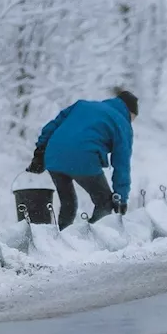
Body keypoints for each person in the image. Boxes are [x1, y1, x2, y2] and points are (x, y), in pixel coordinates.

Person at [26, 89, 137, 229]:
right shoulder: (122, 123)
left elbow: (52, 126)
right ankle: (89, 239)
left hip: (53, 155)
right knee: (104, 202)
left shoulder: (82, 105)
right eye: (133, 118)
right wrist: (121, 198)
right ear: (130, 112)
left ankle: (61, 237)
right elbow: (122, 163)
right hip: (84, 158)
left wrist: (39, 152)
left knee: (68, 204)